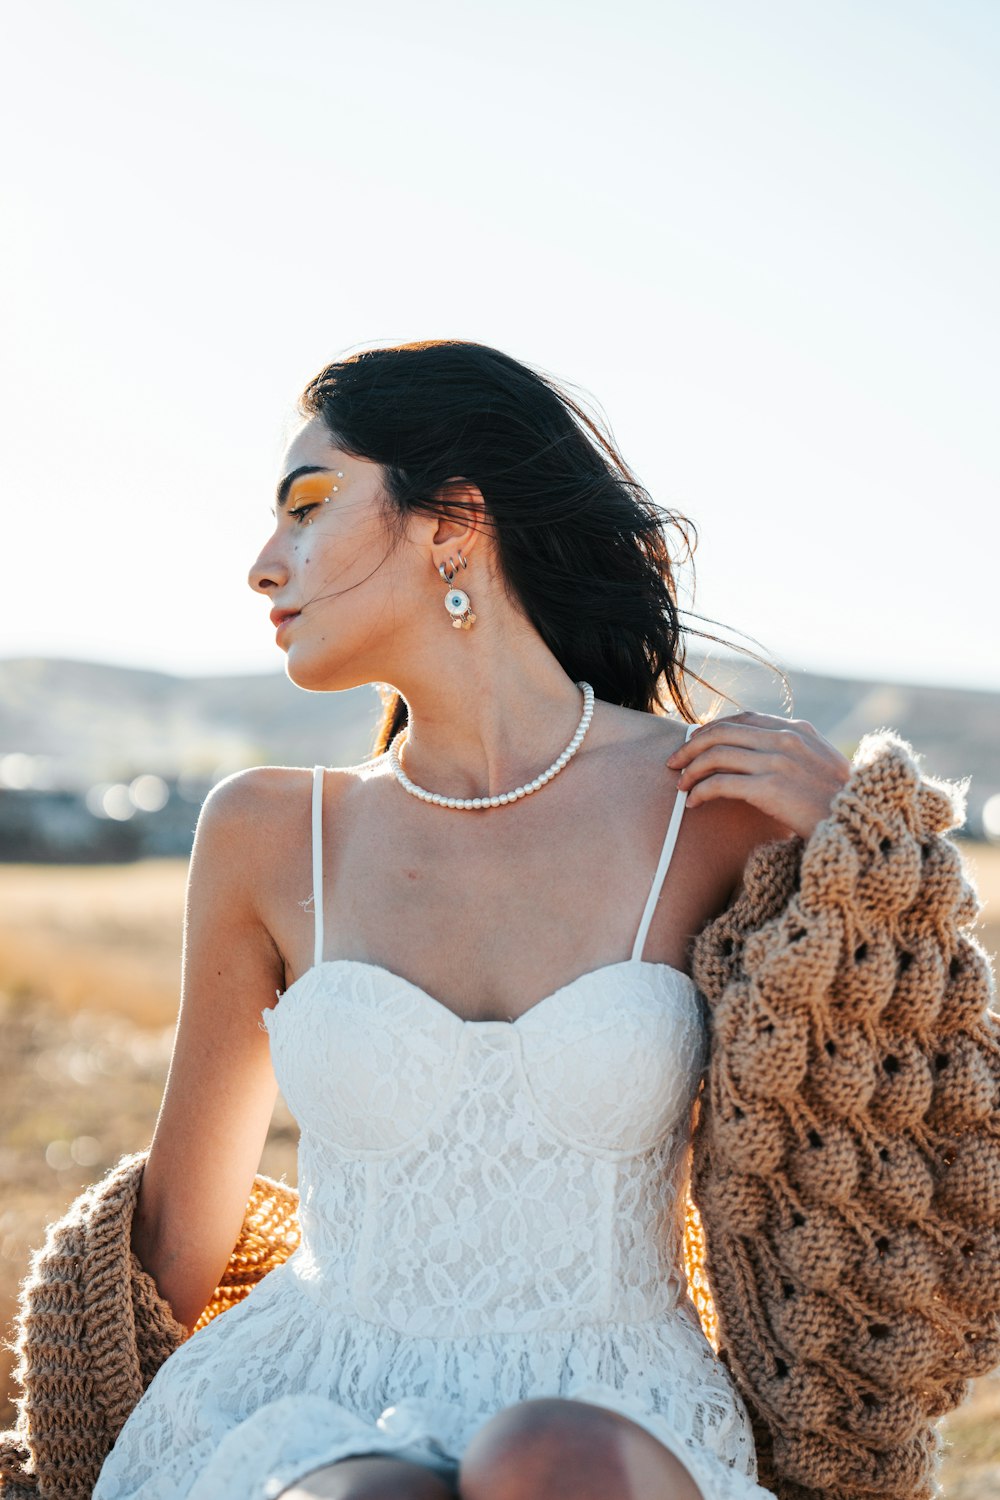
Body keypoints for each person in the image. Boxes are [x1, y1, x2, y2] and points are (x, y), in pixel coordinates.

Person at [70, 341, 984, 1500]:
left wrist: (866, 852)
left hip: (621, 1405)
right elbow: (179, 1239)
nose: (263, 565)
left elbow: (915, 1135)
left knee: (549, 1462)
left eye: (307, 507)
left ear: (453, 520)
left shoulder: (713, 811)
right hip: (308, 1396)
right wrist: (70, 1425)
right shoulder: (267, 830)